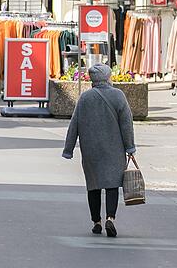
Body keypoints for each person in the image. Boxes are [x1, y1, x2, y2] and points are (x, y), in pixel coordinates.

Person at [63, 63, 136, 238]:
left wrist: (69, 149)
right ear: (108, 77)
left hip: (91, 149)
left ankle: (96, 221)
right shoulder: (118, 96)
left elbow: (74, 124)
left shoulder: (85, 98)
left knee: (93, 185)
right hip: (113, 148)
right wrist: (130, 147)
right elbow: (127, 124)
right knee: (112, 185)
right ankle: (110, 217)